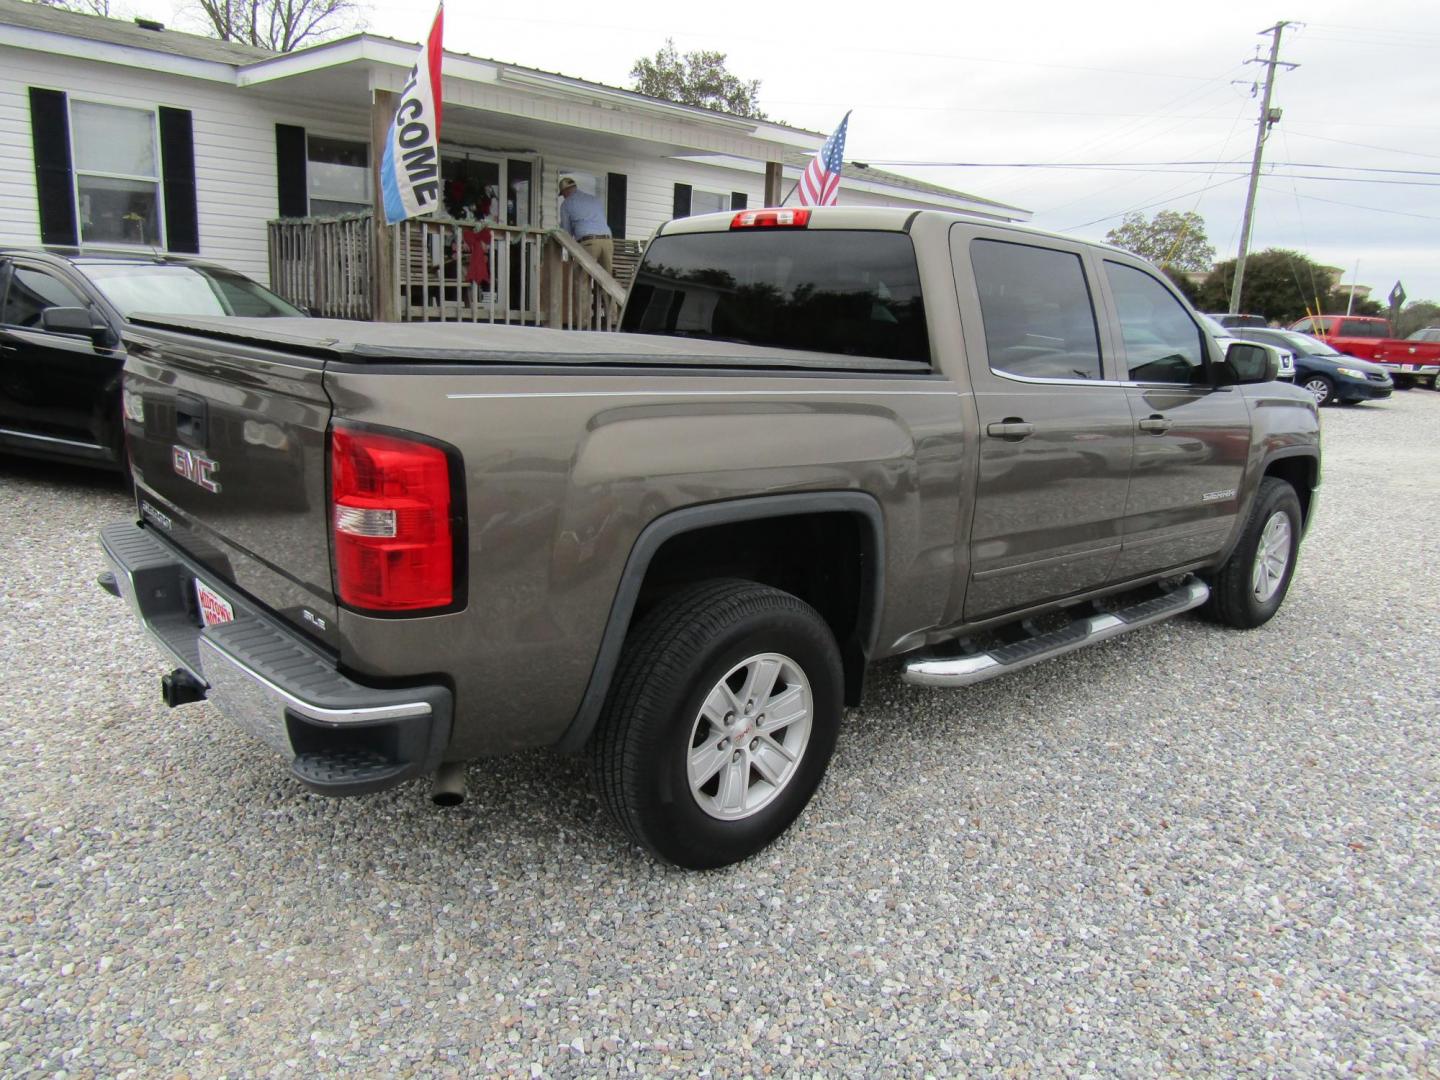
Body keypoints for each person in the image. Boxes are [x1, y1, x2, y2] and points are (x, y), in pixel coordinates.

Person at [557, 176, 614, 275]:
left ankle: (583, 291)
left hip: (589, 243)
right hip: (607, 242)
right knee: (606, 280)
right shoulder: (594, 199)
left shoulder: (566, 204)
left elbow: (566, 232)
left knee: (580, 278)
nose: (564, 197)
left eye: (563, 194)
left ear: (565, 191)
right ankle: (602, 291)